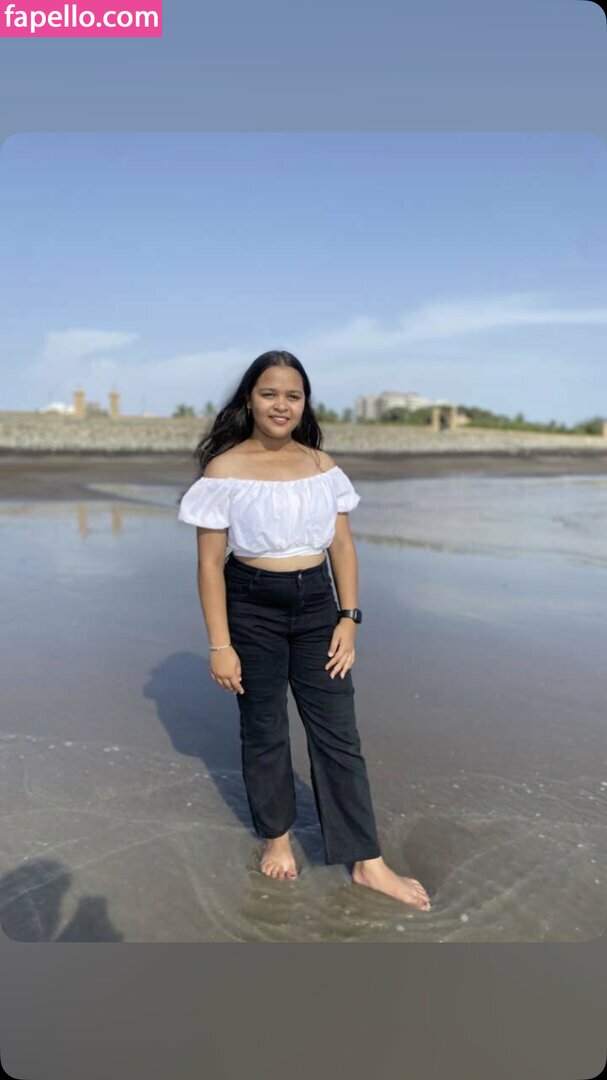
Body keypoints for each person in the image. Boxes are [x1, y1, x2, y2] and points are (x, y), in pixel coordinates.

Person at [178, 350, 431, 911]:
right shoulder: (223, 469)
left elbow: (342, 545)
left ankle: (367, 861)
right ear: (250, 399)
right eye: (269, 393)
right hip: (251, 606)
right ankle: (277, 837)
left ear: (304, 403)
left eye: (293, 396)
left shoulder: (322, 466)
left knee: (339, 733)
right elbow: (209, 564)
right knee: (264, 729)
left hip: (318, 604)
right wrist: (220, 645)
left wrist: (350, 617)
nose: (281, 405)